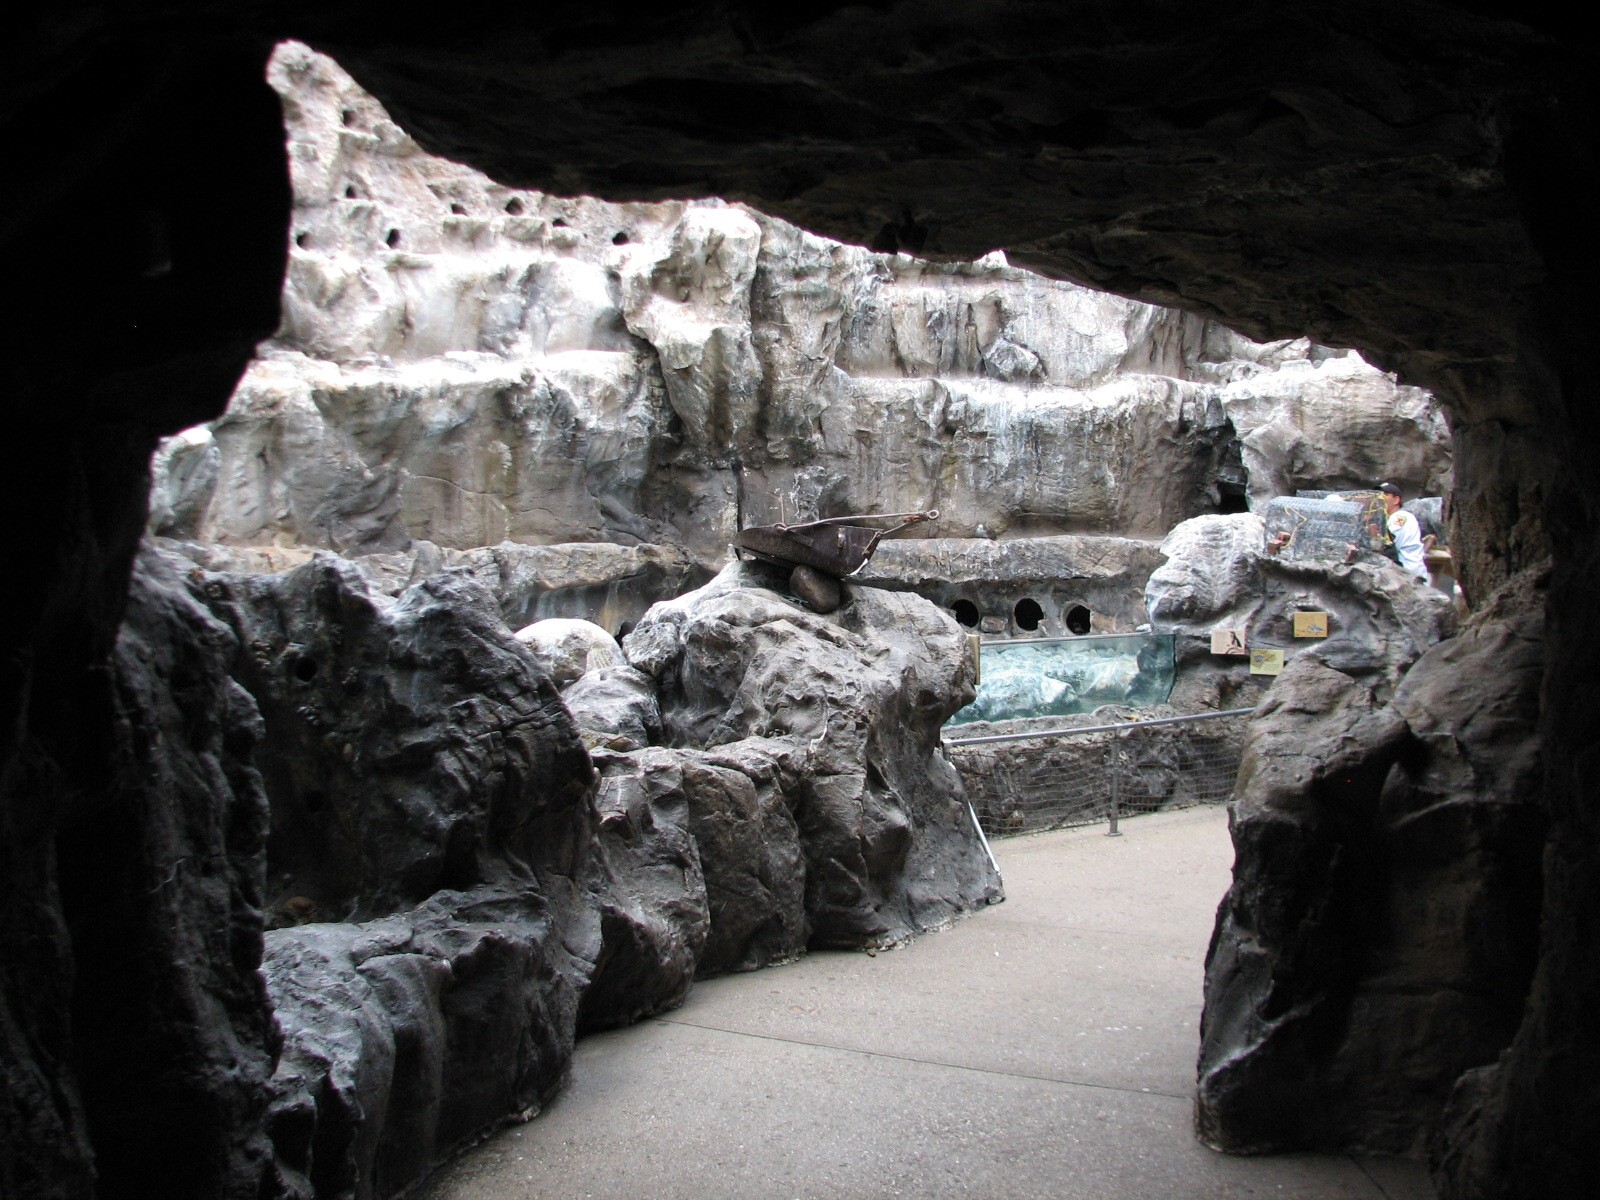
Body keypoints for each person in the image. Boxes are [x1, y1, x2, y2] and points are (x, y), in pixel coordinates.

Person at [1378, 482, 1428, 581]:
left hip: (1409, 574)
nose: (1379, 498)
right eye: (1378, 495)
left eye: (1385, 494)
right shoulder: (1387, 519)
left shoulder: (1400, 516)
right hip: (1403, 574)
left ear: (1396, 500)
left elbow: (1387, 544)